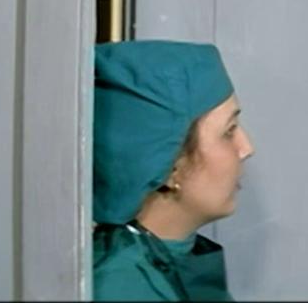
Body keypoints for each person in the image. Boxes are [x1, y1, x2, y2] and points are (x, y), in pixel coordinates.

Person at [93, 40, 254, 301]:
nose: (246, 148)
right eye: (229, 132)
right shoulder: (119, 289)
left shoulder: (171, 259)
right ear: (170, 167)